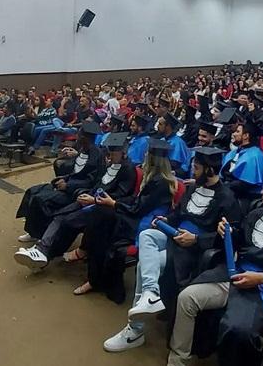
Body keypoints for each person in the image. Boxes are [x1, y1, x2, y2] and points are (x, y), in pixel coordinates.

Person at [167, 166, 263, 366]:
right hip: (232, 274)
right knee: (187, 297)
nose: (262, 190)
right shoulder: (255, 214)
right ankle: (178, 360)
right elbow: (240, 241)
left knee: (237, 329)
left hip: (260, 289)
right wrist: (226, 232)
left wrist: (262, 277)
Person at [103, 146, 240, 352]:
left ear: (210, 170)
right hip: (174, 235)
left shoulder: (227, 199)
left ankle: (135, 330)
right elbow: (179, 213)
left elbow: (229, 237)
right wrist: (166, 219)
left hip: (193, 250)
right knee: (146, 234)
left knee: (144, 266)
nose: (193, 171)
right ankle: (150, 293)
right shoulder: (194, 188)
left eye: (197, 167)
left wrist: (197, 239)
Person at [13, 132, 137, 270]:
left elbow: (120, 195)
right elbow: (97, 185)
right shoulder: (110, 165)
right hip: (90, 200)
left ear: (123, 153)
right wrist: (86, 196)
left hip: (104, 209)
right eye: (110, 152)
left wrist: (93, 200)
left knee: (68, 220)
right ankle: (41, 249)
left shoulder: (128, 170)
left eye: (114, 153)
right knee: (59, 215)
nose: (110, 155)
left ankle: (45, 253)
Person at [74, 138, 176, 303]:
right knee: (101, 219)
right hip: (138, 215)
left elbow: (138, 209)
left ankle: (94, 277)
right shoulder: (155, 177)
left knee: (102, 221)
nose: (144, 155)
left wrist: (114, 203)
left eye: (147, 153)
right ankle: (93, 274)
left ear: (152, 159)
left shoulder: (160, 182)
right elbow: (137, 203)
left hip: (144, 223)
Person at [14, 122, 104, 244]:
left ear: (85, 137)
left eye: (79, 133)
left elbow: (91, 181)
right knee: (32, 191)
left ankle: (37, 233)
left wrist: (68, 185)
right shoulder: (83, 150)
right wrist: (64, 178)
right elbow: (75, 171)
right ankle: (33, 229)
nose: (77, 135)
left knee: (40, 199)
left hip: (75, 191)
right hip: (67, 183)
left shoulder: (97, 156)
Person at [220, 116, 263, 214]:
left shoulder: (256, 156)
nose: (233, 134)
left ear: (246, 136)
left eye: (237, 132)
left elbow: (246, 184)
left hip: (245, 197)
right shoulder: (237, 151)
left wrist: (222, 188)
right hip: (229, 189)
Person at [159, 112, 193, 179]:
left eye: (160, 124)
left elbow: (176, 165)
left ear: (168, 126)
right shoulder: (162, 139)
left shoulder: (178, 143)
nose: (157, 126)